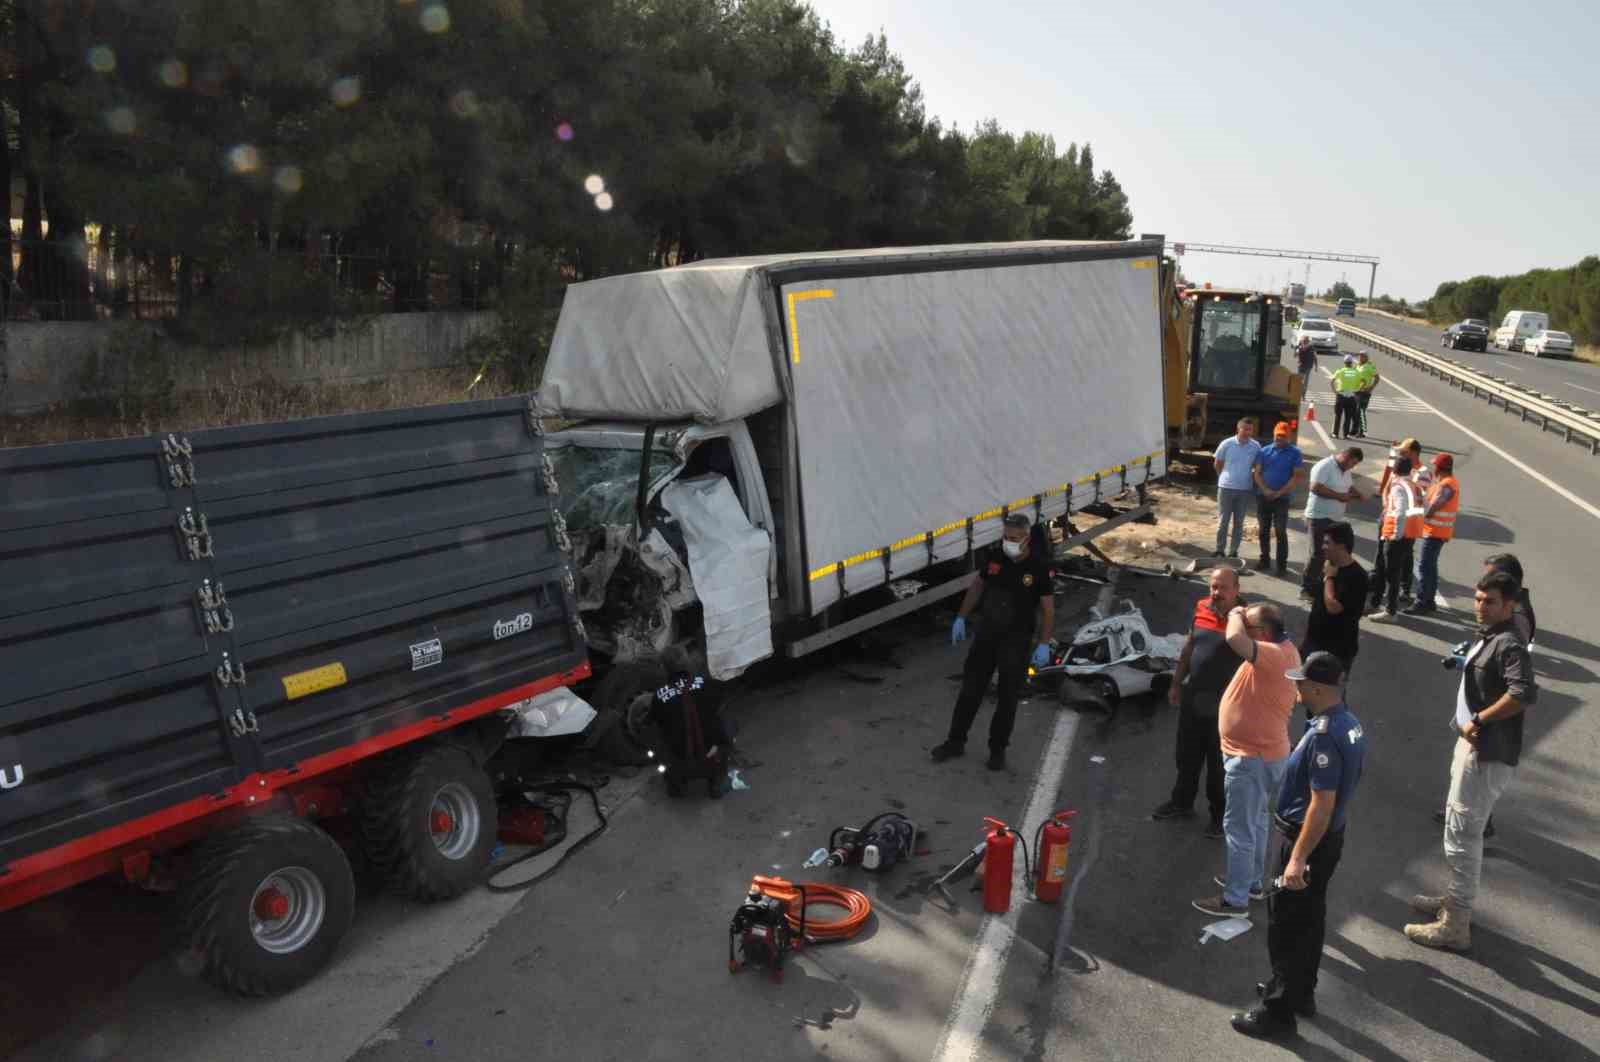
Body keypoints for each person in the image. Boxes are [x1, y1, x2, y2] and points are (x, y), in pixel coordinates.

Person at [1229, 652, 1366, 1041]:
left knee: (1286, 926)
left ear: (1318, 689)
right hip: (1328, 838)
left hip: (1305, 839)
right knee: (1309, 920)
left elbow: (1321, 803)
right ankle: (1299, 992)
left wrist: (1298, 858)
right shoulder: (1349, 723)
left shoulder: (1324, 735)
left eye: (1301, 683)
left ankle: (1277, 1013)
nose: (1296, 689)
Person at [1404, 572, 1536, 951]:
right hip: (1471, 747)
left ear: (1509, 604)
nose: (1480, 606)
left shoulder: (1508, 642)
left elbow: (1522, 693)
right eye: (1478, 599)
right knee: (1455, 829)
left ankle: (1456, 924)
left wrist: (1480, 720)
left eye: (1489, 601)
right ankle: (1454, 899)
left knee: (1463, 837)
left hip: (1486, 754)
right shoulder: (1491, 635)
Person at [1193, 603, 1301, 919]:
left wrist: (1235, 614)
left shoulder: (1273, 653)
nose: (1243, 628)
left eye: (1249, 626)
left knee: (1239, 829)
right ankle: (1251, 882)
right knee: (1256, 822)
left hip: (1251, 758)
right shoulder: (1284, 649)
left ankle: (1235, 900)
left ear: (1263, 633)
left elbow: (1234, 639)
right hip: (1264, 755)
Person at [933, 513, 1054, 771]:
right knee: (970, 690)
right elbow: (978, 586)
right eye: (1006, 537)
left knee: (1007, 696)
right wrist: (961, 617)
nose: (1009, 542)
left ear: (1027, 539)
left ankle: (997, 750)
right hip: (987, 634)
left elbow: (1048, 609)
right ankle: (955, 741)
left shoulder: (1038, 567)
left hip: (1016, 639)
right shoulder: (995, 557)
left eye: (1014, 538)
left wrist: (1044, 643)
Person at [1152, 567, 1248, 838]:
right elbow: (1189, 647)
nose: (1216, 593)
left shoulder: (1247, 620)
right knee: (1186, 755)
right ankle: (1182, 802)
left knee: (1219, 765)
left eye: (1223, 588)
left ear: (1237, 589)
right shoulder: (1201, 607)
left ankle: (1219, 816)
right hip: (1194, 697)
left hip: (1227, 706)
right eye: (1213, 586)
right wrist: (1176, 683)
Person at [1299, 522, 1369, 679]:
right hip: (1314, 642)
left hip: (1336, 651)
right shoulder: (1330, 565)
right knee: (1305, 687)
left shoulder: (1357, 576)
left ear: (1341, 546)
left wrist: (1329, 577)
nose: (1323, 547)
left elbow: (1333, 607)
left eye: (1327, 543)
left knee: (1329, 691)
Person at [1299, 448, 1364, 601]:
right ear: (1346, 457)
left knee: (1331, 553)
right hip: (1318, 517)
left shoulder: (1345, 470)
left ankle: (1323, 586)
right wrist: (1339, 496)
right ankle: (1306, 589)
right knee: (1318, 554)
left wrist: (1357, 493)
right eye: (1353, 463)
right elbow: (1315, 487)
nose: (1353, 466)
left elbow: (1348, 485)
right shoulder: (1324, 466)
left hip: (1335, 518)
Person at [1369, 456, 1423, 622]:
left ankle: (1390, 611)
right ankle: (1376, 602)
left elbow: (1400, 512)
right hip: (1409, 534)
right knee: (1386, 569)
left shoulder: (1398, 486)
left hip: (1396, 536)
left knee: (1391, 574)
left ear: (1394, 470)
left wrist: (1396, 534)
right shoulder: (1413, 485)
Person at [1405, 453, 1459, 616]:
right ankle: (1428, 601)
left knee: (1425, 567)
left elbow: (1434, 506)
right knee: (1430, 566)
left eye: (1435, 465)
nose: (1433, 467)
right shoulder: (1441, 483)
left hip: (1436, 532)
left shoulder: (1447, 485)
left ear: (1440, 467)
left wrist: (1416, 517)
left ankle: (1423, 602)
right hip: (1434, 531)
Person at [1252, 423, 1303, 575]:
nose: (1279, 438)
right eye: (1277, 435)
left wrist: (1280, 493)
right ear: (1274, 435)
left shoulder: (1295, 453)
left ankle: (1281, 566)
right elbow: (1257, 473)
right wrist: (1265, 490)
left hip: (1282, 498)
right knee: (1263, 530)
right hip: (1263, 497)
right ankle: (1264, 560)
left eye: (1283, 436)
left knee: (1280, 531)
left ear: (1289, 437)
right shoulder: (1264, 451)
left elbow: (1296, 476)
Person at [1213, 419, 1261, 559]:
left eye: (1250, 429)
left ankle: (1233, 552)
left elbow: (1257, 466)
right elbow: (1217, 463)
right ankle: (1219, 550)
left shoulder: (1256, 446)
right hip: (1226, 488)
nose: (1247, 432)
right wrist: (1224, 477)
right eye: (1244, 429)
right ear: (1238, 429)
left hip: (1244, 489)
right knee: (1223, 521)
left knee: (1239, 522)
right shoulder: (1227, 443)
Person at [1330, 356, 1363, 439]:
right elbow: (1363, 381)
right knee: (1348, 417)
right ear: (1352, 363)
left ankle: (1335, 433)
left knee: (1338, 416)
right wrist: (1357, 390)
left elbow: (1332, 381)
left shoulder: (1340, 371)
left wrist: (1335, 391)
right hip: (1351, 396)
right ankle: (1345, 434)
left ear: (1344, 362)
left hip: (1341, 395)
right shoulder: (1356, 372)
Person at [1354, 352, 1380, 437]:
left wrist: (1371, 387)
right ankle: (1357, 430)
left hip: (1364, 392)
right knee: (1357, 412)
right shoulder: (1358, 365)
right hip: (1357, 391)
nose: (1360, 357)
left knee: (1361, 411)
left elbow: (1377, 378)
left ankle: (1362, 432)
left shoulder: (1369, 366)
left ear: (1366, 357)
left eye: (1362, 356)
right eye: (1360, 356)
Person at [1295, 337, 1316, 402]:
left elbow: (1315, 357)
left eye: (1305, 341)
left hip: (1306, 367)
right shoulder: (1301, 347)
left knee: (1303, 382)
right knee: (1302, 382)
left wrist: (1316, 366)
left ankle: (1302, 396)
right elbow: (1295, 355)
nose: (1304, 342)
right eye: (1304, 341)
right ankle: (1301, 396)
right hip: (1303, 367)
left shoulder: (1310, 348)